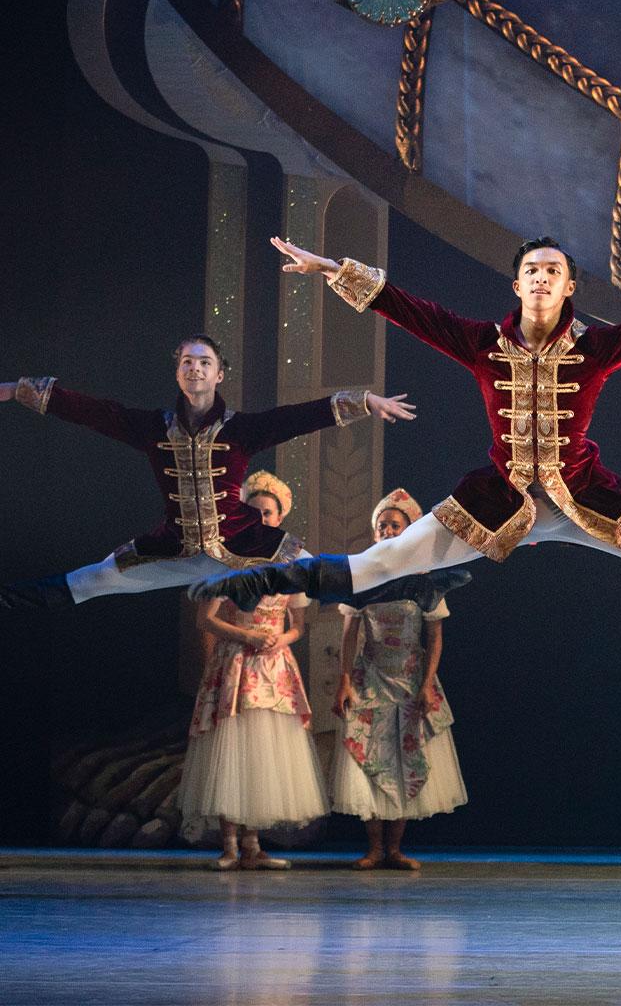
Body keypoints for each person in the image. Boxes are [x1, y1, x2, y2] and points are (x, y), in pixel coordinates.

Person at [189, 236, 621, 632]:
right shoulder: (482, 344)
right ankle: (262, 579)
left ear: (568, 287)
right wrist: (331, 270)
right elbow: (409, 309)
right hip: (498, 501)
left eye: (553, 271)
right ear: (517, 286)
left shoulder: (596, 348)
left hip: (587, 499)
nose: (542, 279)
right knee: (385, 560)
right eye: (532, 271)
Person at [0, 335, 410, 609]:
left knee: (323, 574)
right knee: (92, 580)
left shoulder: (241, 430)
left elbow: (297, 418)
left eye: (204, 362)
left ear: (219, 374)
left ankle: (414, 585)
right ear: (178, 372)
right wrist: (20, 389)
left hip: (246, 546)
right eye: (187, 361)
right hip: (175, 549)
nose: (194, 368)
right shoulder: (153, 428)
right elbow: (94, 412)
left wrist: (365, 401)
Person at [332, 489, 470, 870]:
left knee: (407, 758)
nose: (388, 531)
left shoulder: (425, 581)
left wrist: (427, 683)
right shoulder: (363, 577)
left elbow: (435, 636)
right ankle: (374, 848)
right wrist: (345, 679)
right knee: (371, 757)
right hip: (371, 677)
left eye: (395, 525)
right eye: (382, 526)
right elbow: (349, 634)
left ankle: (394, 849)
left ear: (409, 531)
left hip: (410, 679)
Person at [181, 587, 328, 869]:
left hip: (273, 667)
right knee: (232, 749)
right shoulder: (232, 571)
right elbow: (205, 619)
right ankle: (229, 847)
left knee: (262, 753)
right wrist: (247, 636)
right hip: (236, 661)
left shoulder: (289, 573)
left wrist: (282, 639)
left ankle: (252, 846)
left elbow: (298, 625)